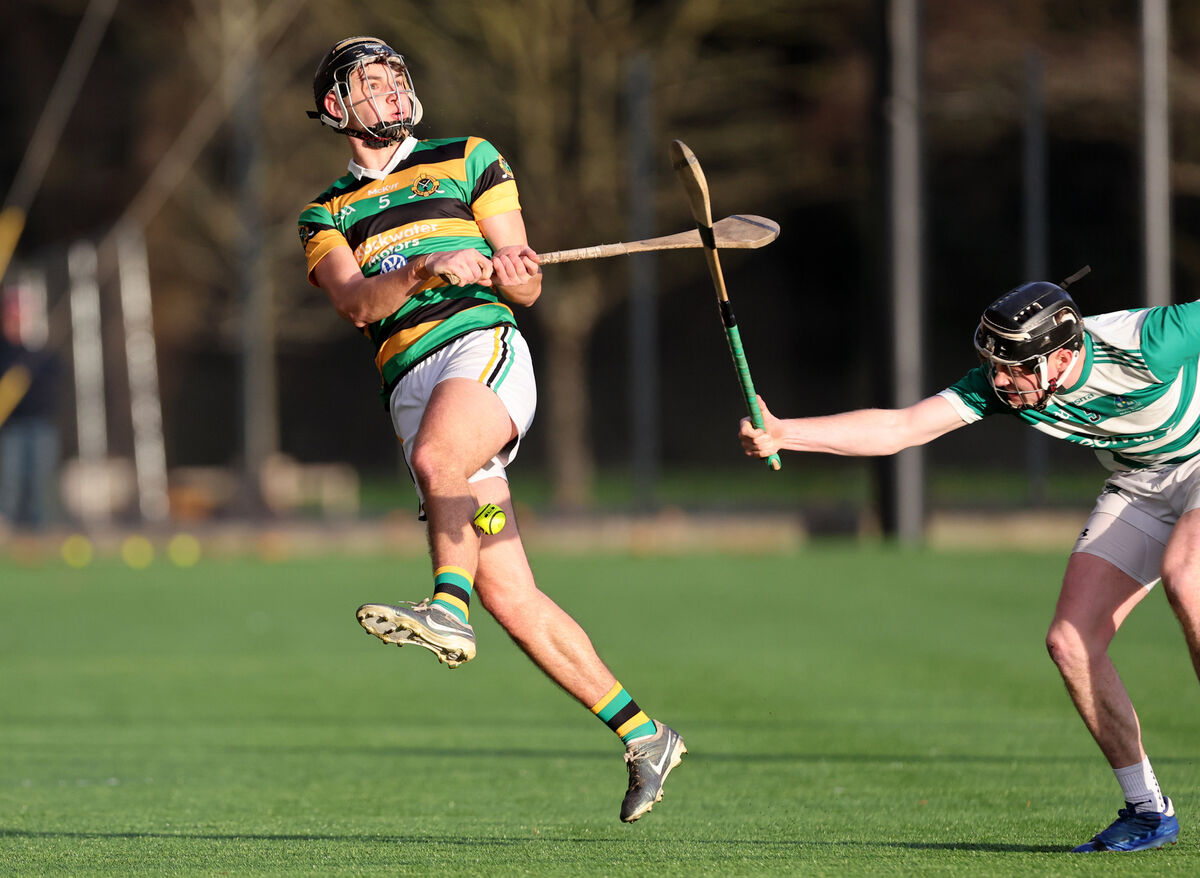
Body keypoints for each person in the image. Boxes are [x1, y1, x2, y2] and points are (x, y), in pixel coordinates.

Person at [298, 36, 685, 823]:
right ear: (337, 109)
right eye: (369, 83)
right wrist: (423, 268)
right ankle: (645, 736)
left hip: (482, 352)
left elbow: (529, 278)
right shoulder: (326, 212)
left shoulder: (472, 157)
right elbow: (355, 304)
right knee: (511, 592)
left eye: (395, 76)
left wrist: (515, 269)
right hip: (409, 382)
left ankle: (445, 606)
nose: (391, 91)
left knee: (443, 457)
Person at [739, 278, 1197, 853]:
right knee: (1070, 644)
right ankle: (1147, 810)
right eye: (993, 365)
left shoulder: (1151, 341)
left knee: (1188, 578)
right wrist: (786, 433)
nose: (1000, 381)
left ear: (1063, 353)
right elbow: (900, 428)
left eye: (1014, 368)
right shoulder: (1001, 386)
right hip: (1140, 481)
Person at [0, 288, 60, 531]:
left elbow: (53, 385)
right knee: (10, 477)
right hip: (12, 425)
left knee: (39, 480)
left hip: (41, 424)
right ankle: (7, 526)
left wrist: (29, 372)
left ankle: (38, 529)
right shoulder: (4, 353)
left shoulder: (41, 353)